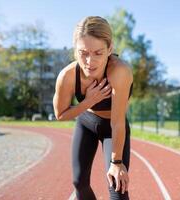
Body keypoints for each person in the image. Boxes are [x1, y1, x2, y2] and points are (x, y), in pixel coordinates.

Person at [53, 16, 133, 200]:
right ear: (75, 51)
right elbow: (60, 115)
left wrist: (117, 162)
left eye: (98, 53)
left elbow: (117, 121)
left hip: (113, 127)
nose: (90, 61)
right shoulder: (67, 76)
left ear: (110, 49)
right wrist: (88, 102)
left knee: (117, 187)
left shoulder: (120, 72)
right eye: (83, 53)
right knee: (79, 183)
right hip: (86, 123)